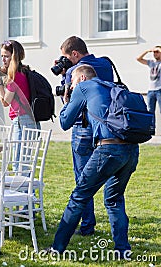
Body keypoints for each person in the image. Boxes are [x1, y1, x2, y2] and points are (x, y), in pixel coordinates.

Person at [50, 64, 139, 258]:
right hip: (131, 150)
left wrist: (67, 100)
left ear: (81, 78)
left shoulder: (83, 87)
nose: (70, 85)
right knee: (114, 199)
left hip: (108, 149)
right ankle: (123, 251)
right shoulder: (112, 86)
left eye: (71, 81)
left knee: (79, 196)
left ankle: (56, 248)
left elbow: (65, 122)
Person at [55, 36, 113, 236]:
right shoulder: (106, 64)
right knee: (109, 181)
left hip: (82, 129)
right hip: (105, 130)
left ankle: (87, 226)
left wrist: (65, 75)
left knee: (83, 180)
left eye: (65, 57)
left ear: (74, 54)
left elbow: (68, 103)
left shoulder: (75, 71)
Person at [136, 46, 161, 126]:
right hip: (151, 90)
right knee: (150, 111)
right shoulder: (151, 62)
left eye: (157, 52)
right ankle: (151, 129)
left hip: (160, 90)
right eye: (154, 52)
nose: (155, 53)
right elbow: (138, 59)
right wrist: (147, 51)